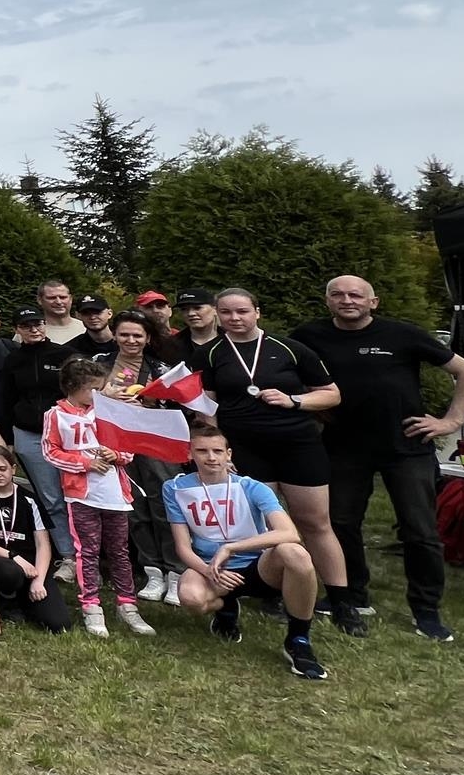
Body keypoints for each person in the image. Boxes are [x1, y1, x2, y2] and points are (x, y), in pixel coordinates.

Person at [295, 274, 464, 642]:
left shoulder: (403, 334)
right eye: (338, 294)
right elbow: (290, 376)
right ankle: (352, 595)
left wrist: (453, 420)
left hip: (406, 447)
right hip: (343, 446)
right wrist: (308, 404)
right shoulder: (308, 336)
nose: (347, 300)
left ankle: (426, 610)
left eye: (356, 295)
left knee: (420, 530)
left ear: (373, 302)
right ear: (327, 301)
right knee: (341, 523)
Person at [193, 288, 362, 634]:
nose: (234, 319)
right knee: (262, 528)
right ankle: (273, 591)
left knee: (315, 523)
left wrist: (293, 400)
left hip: (297, 445)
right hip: (246, 449)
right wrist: (220, 452)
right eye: (226, 313)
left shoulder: (289, 348)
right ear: (217, 315)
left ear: (257, 312)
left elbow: (332, 394)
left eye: (242, 311)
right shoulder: (210, 353)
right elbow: (207, 410)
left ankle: (343, 602)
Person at [164, 425, 329, 680]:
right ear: (190, 454)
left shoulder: (251, 487)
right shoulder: (175, 489)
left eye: (217, 451)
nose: (211, 457)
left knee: (296, 554)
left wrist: (231, 547)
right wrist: (208, 570)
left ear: (228, 454)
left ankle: (298, 640)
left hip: (259, 566)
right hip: (212, 567)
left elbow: (289, 533)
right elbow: (182, 546)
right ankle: (226, 608)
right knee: (191, 597)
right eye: (202, 451)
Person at [43, 356, 155, 638]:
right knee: (88, 552)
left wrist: (115, 455)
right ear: (72, 386)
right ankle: (91, 605)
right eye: (92, 389)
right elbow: (51, 451)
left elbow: (128, 450)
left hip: (115, 494)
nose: (97, 394)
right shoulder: (55, 415)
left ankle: (127, 604)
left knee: (119, 551)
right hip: (82, 496)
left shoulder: (107, 411)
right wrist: (86, 463)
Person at [100, 312, 186, 605]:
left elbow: (181, 407)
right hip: (116, 443)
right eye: (124, 334)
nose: (131, 340)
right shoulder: (99, 364)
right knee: (134, 506)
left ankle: (175, 572)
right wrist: (104, 394)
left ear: (148, 338)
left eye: (137, 335)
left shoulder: (163, 369)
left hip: (155, 443)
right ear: (115, 335)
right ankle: (152, 572)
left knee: (165, 505)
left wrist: (154, 401)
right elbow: (81, 395)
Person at [0, 444, 74, 632]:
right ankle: (9, 600)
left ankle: (27, 597)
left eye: (2, 468)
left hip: (33, 565)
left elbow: (43, 544)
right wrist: (14, 556)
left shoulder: (29, 499)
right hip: (2, 560)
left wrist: (39, 580)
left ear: (13, 469)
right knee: (8, 572)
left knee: (59, 624)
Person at [1, 307, 74, 579]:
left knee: (76, 495)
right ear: (17, 329)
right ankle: (67, 556)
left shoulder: (63, 354)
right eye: (26, 325)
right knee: (51, 498)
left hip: (65, 433)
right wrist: (8, 438)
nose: (33, 329)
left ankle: (90, 555)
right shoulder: (12, 359)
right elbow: (7, 399)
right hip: (29, 433)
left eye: (38, 324)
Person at [173, 289, 219, 362]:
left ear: (215, 309)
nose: (191, 313)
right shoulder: (172, 344)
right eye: (184, 309)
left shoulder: (230, 339)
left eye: (197, 308)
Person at [35, 280, 85, 347]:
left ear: (70, 299)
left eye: (63, 297)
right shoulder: (30, 333)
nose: (58, 302)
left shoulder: (86, 328)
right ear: (39, 300)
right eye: (52, 298)